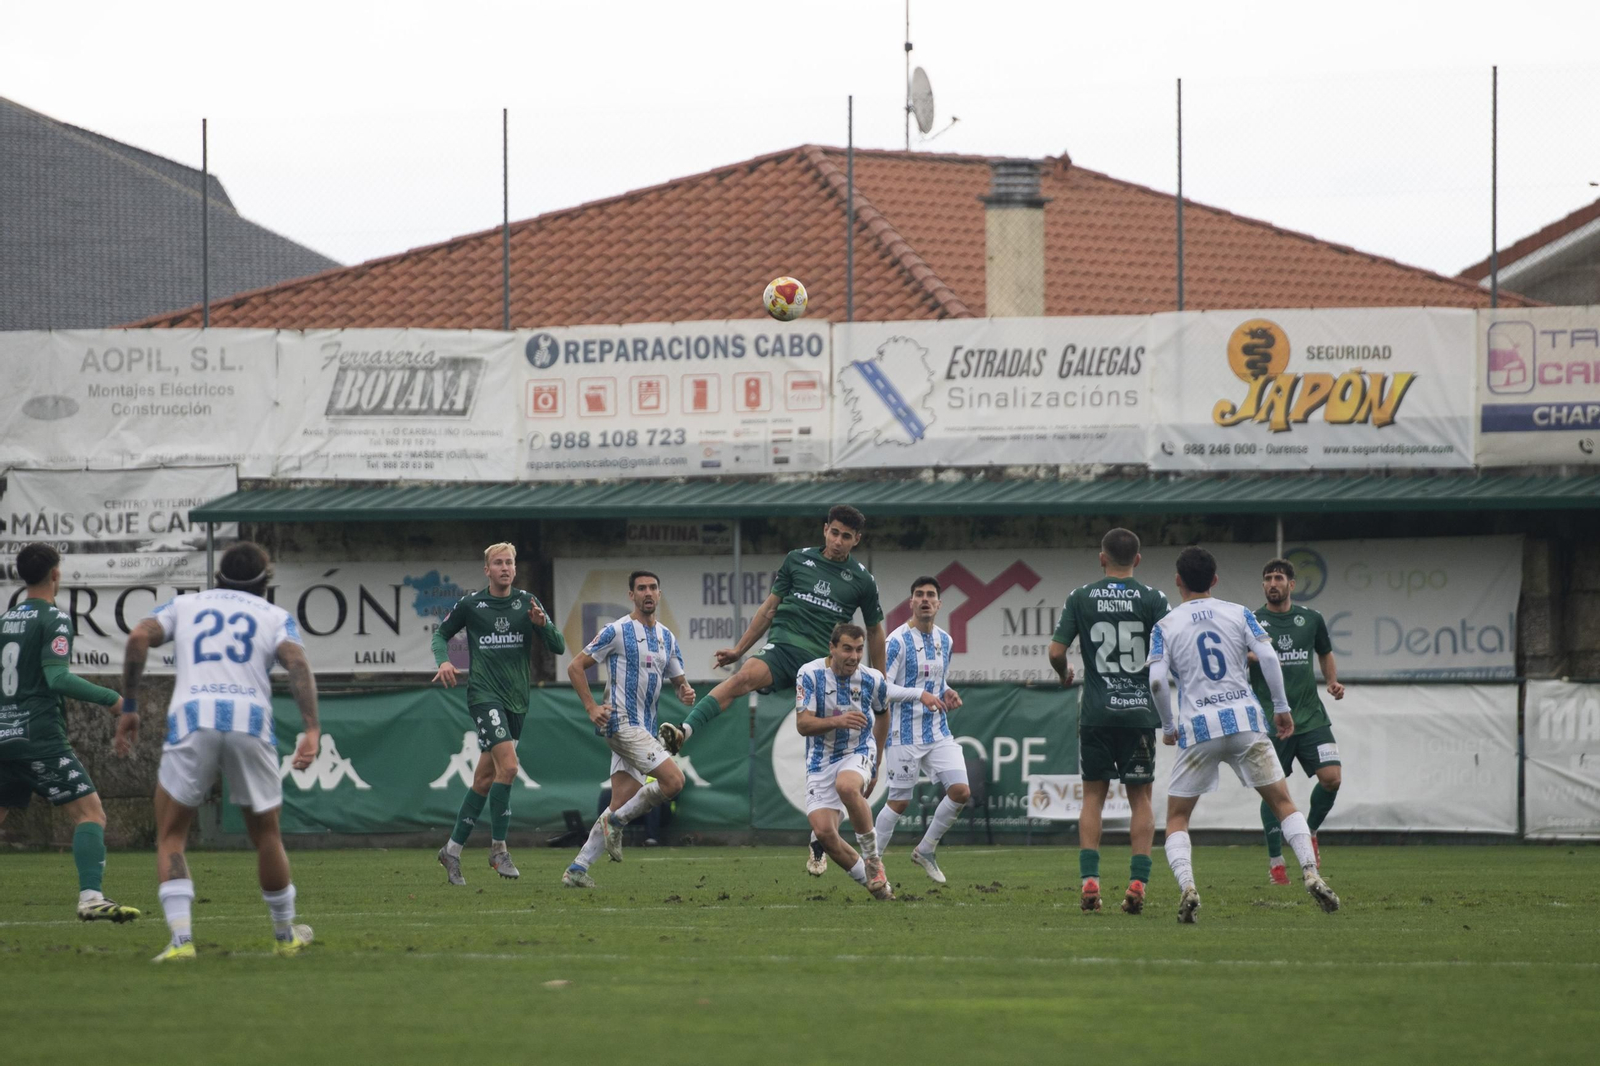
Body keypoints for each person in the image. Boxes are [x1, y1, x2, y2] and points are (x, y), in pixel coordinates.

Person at [121, 541, 322, 961]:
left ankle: (181, 941)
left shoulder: (185, 605)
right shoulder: (274, 616)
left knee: (172, 834)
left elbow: (138, 636)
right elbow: (298, 663)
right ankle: (284, 935)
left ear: (217, 578)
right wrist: (311, 728)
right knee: (267, 835)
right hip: (250, 720)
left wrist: (132, 706)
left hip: (193, 717)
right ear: (265, 583)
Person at [1145, 546, 1339, 923]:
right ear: (1215, 580)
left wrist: (1168, 727)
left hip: (1199, 728)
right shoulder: (1239, 612)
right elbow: (1268, 657)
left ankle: (1188, 886)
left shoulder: (1164, 625)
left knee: (1177, 818)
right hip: (1245, 721)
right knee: (1283, 803)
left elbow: (1156, 681)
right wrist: (1280, 707)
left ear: (1178, 581)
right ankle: (1310, 872)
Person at [658, 505, 884, 755]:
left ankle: (865, 761)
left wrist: (882, 678)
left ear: (856, 539)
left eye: (846, 536)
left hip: (822, 661)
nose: (838, 541)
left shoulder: (862, 580)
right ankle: (684, 731)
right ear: (825, 530)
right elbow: (769, 609)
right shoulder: (797, 559)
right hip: (783, 649)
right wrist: (739, 650)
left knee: (830, 727)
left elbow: (874, 631)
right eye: (834, 533)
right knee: (742, 678)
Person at [0, 543, 138, 923]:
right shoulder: (55, 619)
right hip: (38, 737)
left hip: (3, 734)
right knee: (89, 813)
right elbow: (57, 678)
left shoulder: (4, 621)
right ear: (56, 574)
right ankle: (91, 898)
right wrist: (114, 700)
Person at [1048, 528, 1169, 915]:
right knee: (1141, 798)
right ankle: (1138, 881)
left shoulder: (1081, 597)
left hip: (1097, 712)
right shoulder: (1153, 599)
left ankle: (1090, 880)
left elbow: (1056, 652)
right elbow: (1171, 651)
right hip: (1139, 713)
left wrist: (1063, 673)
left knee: (1093, 798)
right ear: (1138, 559)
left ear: (1102, 558)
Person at [431, 542, 565, 884]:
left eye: (509, 563)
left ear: (515, 569)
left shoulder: (528, 603)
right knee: (510, 767)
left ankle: (451, 851)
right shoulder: (472, 604)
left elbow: (559, 646)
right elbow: (441, 634)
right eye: (498, 563)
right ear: (487, 570)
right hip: (484, 695)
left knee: (484, 779)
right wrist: (443, 661)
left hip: (517, 700)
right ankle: (499, 849)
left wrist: (543, 626)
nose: (505, 568)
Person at [561, 571, 694, 888]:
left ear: (659, 594)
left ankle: (577, 868)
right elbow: (575, 666)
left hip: (644, 729)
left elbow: (679, 681)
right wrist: (591, 707)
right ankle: (617, 822)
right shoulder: (617, 630)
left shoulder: (666, 637)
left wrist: (685, 691)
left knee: (621, 799)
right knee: (674, 781)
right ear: (631, 595)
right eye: (641, 588)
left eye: (653, 588)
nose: (648, 592)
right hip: (621, 722)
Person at [797, 624, 944, 901]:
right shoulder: (810, 673)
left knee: (847, 786)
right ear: (832, 648)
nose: (854, 656)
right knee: (825, 833)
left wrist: (875, 763)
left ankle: (873, 860)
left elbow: (883, 715)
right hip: (820, 759)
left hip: (858, 750)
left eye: (859, 649)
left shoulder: (872, 679)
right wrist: (838, 721)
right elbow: (803, 725)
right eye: (847, 649)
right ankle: (877, 886)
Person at [861, 576, 967, 886]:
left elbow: (937, 681)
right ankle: (872, 865)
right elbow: (883, 687)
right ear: (911, 602)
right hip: (903, 733)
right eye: (919, 594)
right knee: (899, 802)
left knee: (960, 791)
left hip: (937, 731)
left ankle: (926, 849)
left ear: (939, 603)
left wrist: (947, 691)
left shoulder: (946, 641)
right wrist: (919, 695)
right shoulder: (896, 641)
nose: (925, 599)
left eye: (930, 595)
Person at [1250, 558, 1345, 884]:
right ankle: (1276, 861)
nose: (1272, 584)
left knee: (1332, 778)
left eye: (1278, 578)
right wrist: (1249, 656)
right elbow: (1235, 655)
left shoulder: (1311, 619)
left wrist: (1332, 681)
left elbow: (1324, 651)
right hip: (1271, 719)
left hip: (1310, 715)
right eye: (1267, 578)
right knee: (1274, 790)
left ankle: (1311, 831)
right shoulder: (1252, 621)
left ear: (1291, 584)